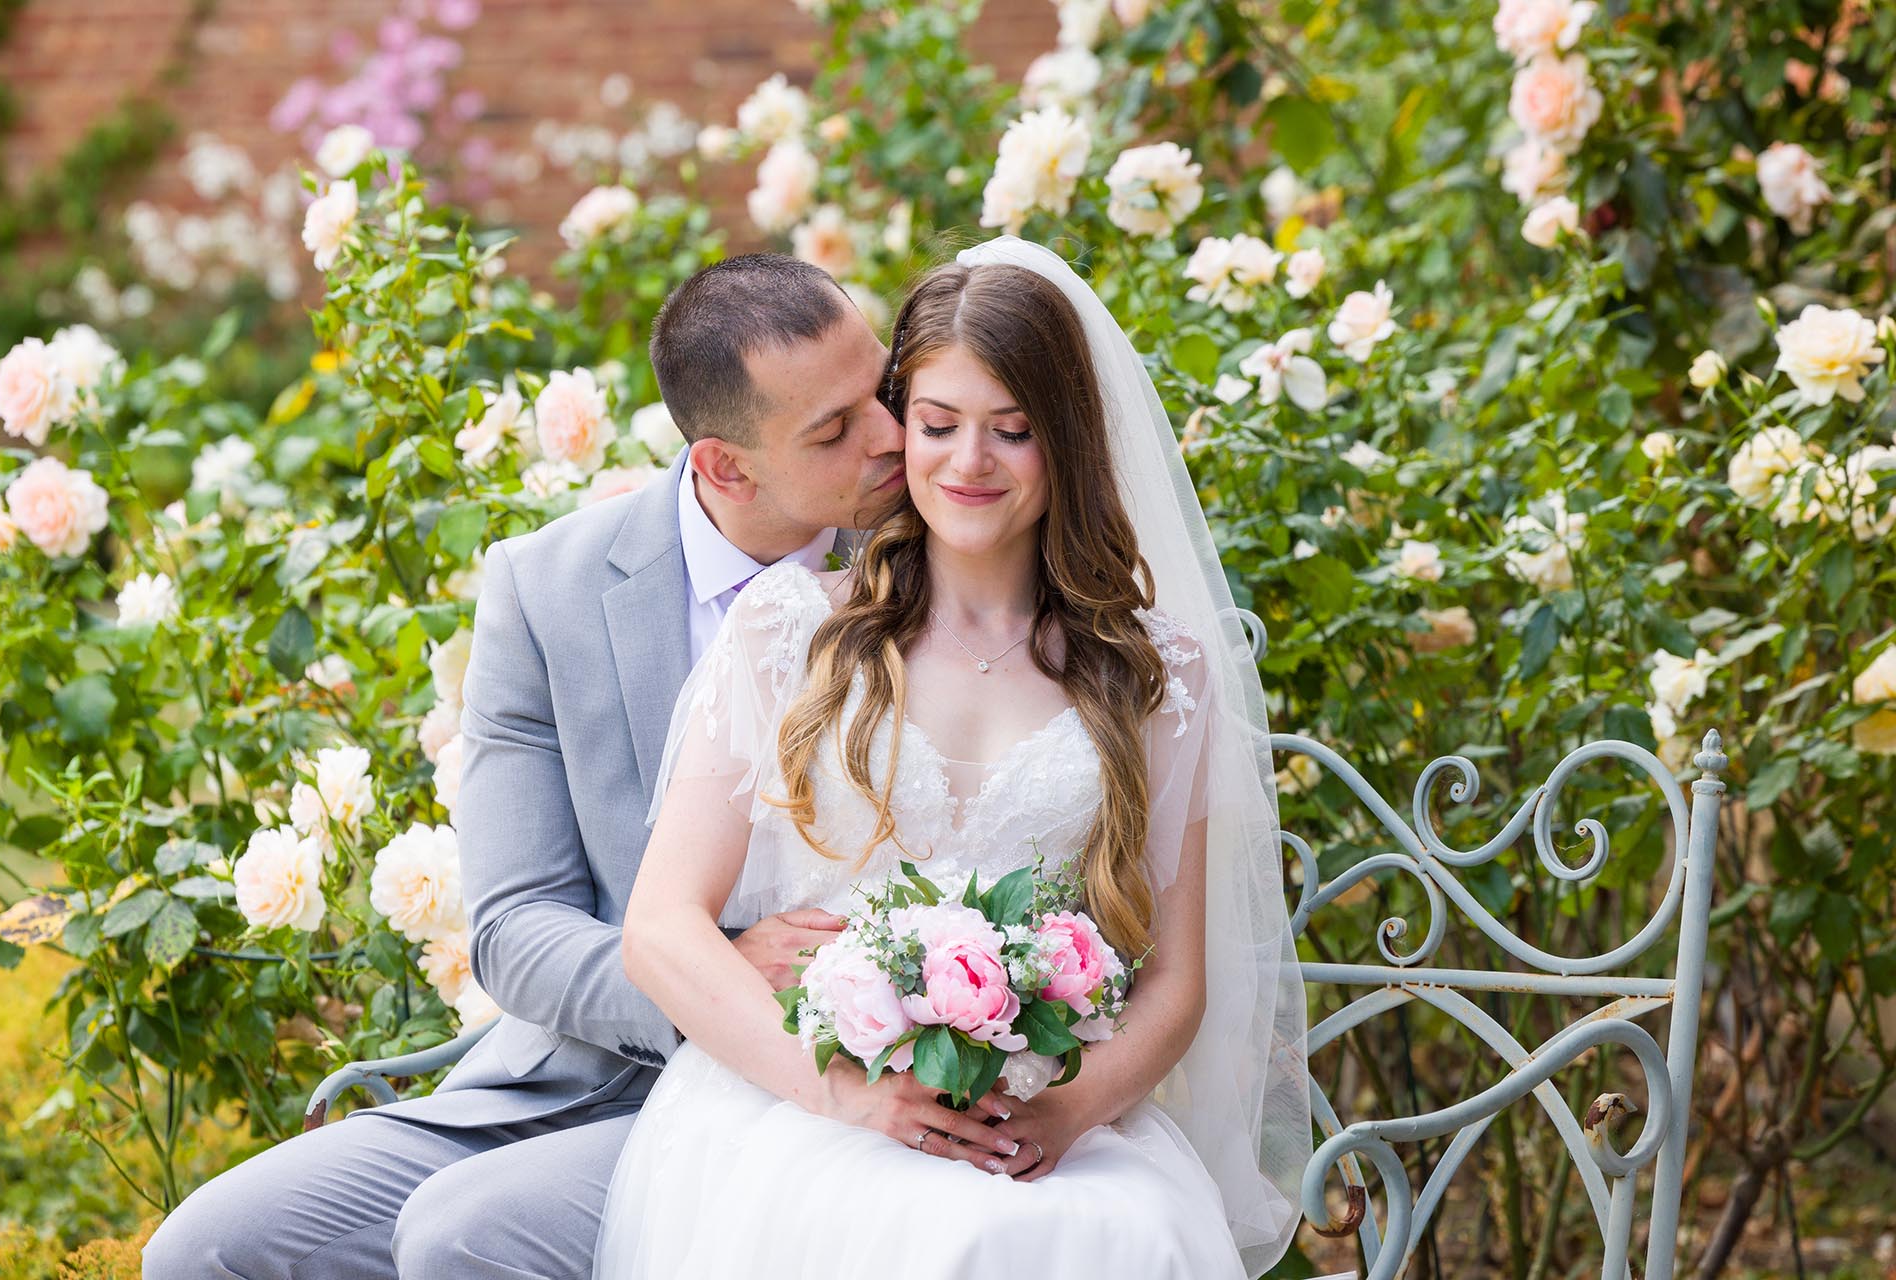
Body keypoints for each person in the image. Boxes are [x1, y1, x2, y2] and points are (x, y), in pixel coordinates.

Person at [142, 254, 925, 1279]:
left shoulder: (931, 551)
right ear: (722, 465)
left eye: (886, 389)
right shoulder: (546, 587)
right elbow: (514, 927)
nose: (893, 436)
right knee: (206, 1248)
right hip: (568, 1081)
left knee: (466, 1233)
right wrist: (715, 970)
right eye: (834, 428)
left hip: (828, 1077)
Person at [596, 237, 1312, 1279]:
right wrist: (846, 1088)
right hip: (813, 1115)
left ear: (1065, 440)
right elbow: (661, 928)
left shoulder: (1158, 671)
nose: (968, 462)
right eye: (936, 425)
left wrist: (1064, 1111)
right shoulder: (791, 633)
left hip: (1049, 1121)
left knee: (1112, 1237)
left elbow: (1175, 985)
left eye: (1013, 431)